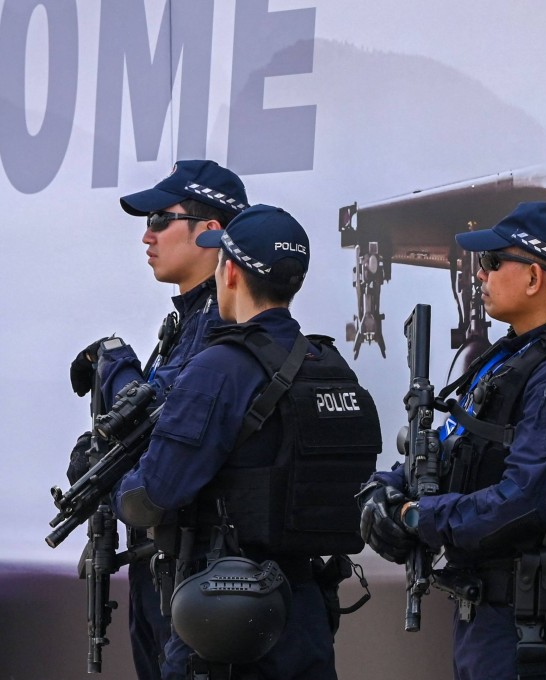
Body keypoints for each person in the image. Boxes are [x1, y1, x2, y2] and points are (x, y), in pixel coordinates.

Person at [113, 204, 381, 679]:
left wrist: (115, 485)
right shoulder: (331, 366)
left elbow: (151, 497)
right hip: (306, 618)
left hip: (224, 626)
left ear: (230, 271)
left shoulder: (218, 370)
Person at [359, 202, 546, 680]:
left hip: (524, 626)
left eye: (493, 262)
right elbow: (450, 445)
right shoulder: (513, 357)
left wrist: (418, 518)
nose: (480, 275)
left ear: (534, 278)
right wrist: (387, 488)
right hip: (488, 617)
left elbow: (527, 501)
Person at [67, 159, 248, 680]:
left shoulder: (222, 326)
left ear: (210, 233)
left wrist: (114, 362)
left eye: (159, 220)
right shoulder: (188, 320)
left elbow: (153, 424)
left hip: (200, 573)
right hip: (165, 565)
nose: (146, 236)